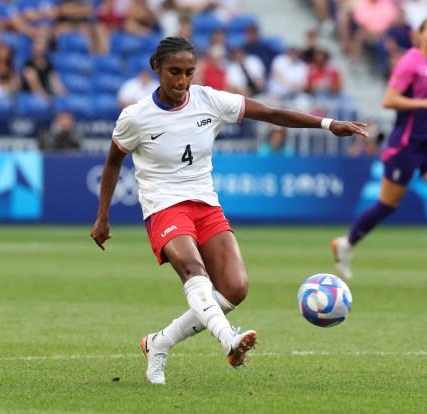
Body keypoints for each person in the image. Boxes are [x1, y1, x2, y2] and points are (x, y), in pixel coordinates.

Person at [90, 36, 368, 385]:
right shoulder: (135, 117)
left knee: (235, 289)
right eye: (174, 72)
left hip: (205, 204)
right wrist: (103, 215)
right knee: (194, 270)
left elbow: (270, 113)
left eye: (189, 72)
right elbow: (113, 163)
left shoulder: (209, 100)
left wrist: (327, 125)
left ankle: (158, 344)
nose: (182, 81)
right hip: (164, 206)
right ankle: (229, 340)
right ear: (156, 68)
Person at [331, 16, 427, 287]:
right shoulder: (410, 61)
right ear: (420, 35)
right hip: (407, 144)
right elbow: (389, 99)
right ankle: (346, 244)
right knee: (387, 205)